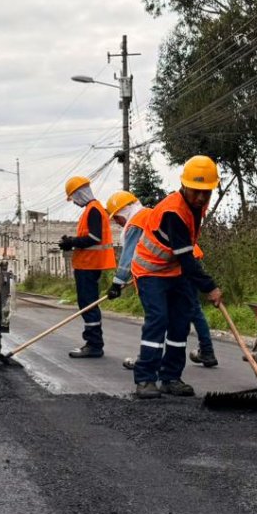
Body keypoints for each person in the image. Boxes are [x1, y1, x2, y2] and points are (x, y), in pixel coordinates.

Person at [129, 155, 224, 399]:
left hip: (174, 269)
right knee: (158, 320)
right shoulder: (173, 211)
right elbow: (187, 258)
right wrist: (210, 287)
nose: (201, 197)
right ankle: (145, 379)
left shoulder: (196, 206)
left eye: (206, 192)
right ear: (184, 185)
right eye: (196, 191)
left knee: (181, 322)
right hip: (151, 270)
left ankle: (170, 378)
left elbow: (185, 256)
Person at [106, 190, 219, 371]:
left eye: (117, 218)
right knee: (191, 310)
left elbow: (129, 255)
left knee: (159, 318)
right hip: (182, 261)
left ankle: (147, 362)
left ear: (123, 210)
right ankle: (206, 351)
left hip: (178, 264)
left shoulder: (136, 222)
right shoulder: (150, 212)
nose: (117, 223)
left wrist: (117, 283)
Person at [57, 176, 116, 359]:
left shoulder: (94, 210)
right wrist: (71, 242)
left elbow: (94, 238)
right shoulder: (92, 209)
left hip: (90, 265)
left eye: (74, 198)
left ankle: (94, 344)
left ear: (79, 194)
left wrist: (72, 242)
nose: (74, 202)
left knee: (88, 305)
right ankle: (93, 342)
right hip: (87, 264)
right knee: (87, 304)